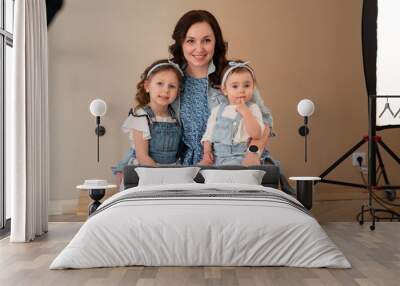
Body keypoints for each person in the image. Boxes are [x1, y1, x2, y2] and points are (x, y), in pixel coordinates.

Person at [169, 10, 274, 166]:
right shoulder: (172, 79)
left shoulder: (235, 75)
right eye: (190, 41)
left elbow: (265, 122)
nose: (199, 49)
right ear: (181, 43)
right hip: (188, 165)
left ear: (216, 42)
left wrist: (254, 153)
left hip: (236, 161)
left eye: (206, 40)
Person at [111, 59, 184, 185]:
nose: (166, 90)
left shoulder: (175, 117)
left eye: (172, 86)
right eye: (160, 83)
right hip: (145, 171)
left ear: (177, 92)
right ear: (147, 86)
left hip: (169, 169)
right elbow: (142, 157)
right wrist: (162, 178)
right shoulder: (141, 117)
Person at [201, 61, 264, 165]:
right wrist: (207, 153)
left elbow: (257, 134)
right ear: (225, 90)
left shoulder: (253, 108)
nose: (241, 90)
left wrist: (246, 113)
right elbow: (208, 135)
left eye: (247, 85)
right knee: (200, 171)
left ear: (253, 87)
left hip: (241, 157)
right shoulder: (218, 110)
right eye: (235, 86)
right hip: (218, 157)